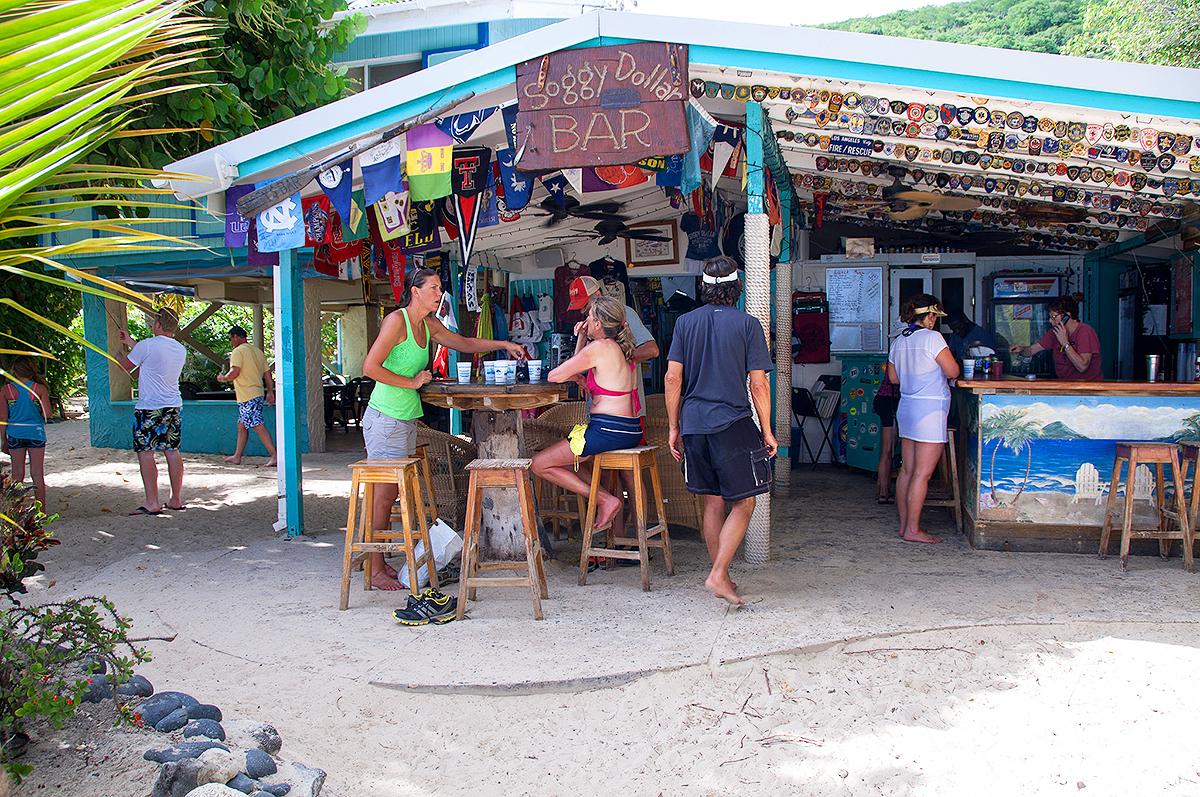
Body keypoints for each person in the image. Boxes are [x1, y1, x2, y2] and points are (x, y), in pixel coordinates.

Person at [362, 266, 527, 591]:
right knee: (383, 495)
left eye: (440, 288)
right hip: (385, 417)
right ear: (416, 291)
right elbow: (370, 367)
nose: (439, 294)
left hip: (406, 417)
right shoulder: (398, 321)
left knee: (394, 494)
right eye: (434, 288)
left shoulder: (429, 324)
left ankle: (379, 562)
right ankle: (375, 567)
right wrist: (411, 381)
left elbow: (464, 342)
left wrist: (503, 344)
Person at [665, 256, 777, 605]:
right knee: (744, 502)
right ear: (735, 288)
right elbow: (758, 385)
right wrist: (768, 431)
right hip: (732, 423)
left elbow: (672, 378)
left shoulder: (685, 323)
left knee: (712, 503)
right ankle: (717, 575)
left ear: (703, 288)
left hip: (695, 423)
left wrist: (674, 427)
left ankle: (722, 574)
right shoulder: (748, 325)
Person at [532, 295, 645, 533]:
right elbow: (577, 366)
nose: (586, 321)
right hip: (629, 430)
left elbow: (555, 375)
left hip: (607, 430)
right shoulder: (622, 348)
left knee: (540, 464)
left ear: (598, 324)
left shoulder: (599, 347)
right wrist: (583, 339)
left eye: (589, 318)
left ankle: (606, 500)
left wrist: (581, 338)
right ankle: (605, 498)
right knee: (570, 463)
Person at [566, 275, 660, 541]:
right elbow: (577, 367)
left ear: (600, 293)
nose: (585, 311)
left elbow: (652, 350)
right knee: (607, 477)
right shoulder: (590, 326)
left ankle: (640, 538)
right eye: (581, 307)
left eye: (588, 303)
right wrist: (583, 339)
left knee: (629, 476)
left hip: (628, 413)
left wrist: (617, 355)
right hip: (599, 415)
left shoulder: (623, 313)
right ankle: (615, 542)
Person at [888, 294, 960, 545]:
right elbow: (953, 371)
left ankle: (904, 526)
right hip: (929, 410)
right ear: (929, 316)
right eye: (934, 317)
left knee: (907, 471)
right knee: (922, 474)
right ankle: (913, 529)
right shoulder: (933, 339)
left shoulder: (898, 341)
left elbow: (894, 378)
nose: (935, 322)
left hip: (907, 408)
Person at [114, 308, 187, 515]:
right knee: (172, 451)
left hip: (148, 408)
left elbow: (126, 366)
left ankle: (152, 502)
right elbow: (155, 356)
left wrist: (119, 354)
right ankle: (175, 499)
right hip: (172, 405)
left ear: (157, 324)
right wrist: (130, 342)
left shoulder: (146, 346)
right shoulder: (180, 349)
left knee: (146, 453)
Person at [216, 325, 277, 466]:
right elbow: (267, 374)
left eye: (231, 338)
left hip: (247, 395)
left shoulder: (238, 352)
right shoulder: (258, 352)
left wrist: (223, 378)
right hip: (257, 393)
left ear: (236, 337)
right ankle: (237, 456)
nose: (231, 341)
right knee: (242, 425)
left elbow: (235, 372)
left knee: (256, 424)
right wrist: (270, 391)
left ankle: (274, 455)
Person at [1010, 296, 1102, 380]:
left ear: (1067, 316)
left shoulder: (1085, 332)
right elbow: (1031, 350)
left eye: (1053, 317)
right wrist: (1021, 349)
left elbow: (1082, 366)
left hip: (1087, 388)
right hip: (1065, 385)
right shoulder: (1054, 333)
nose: (1050, 321)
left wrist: (1065, 343)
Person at [0, 357, 51, 508]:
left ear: (14, 371)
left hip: (15, 434)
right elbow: (48, 414)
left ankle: (18, 512)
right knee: (37, 474)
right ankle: (41, 512)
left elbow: (3, 417)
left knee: (17, 475)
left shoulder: (6, 390)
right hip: (36, 434)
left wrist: (3, 440)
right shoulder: (39, 389)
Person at [872, 362, 899, 505]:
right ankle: (883, 492)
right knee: (888, 450)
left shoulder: (898, 350)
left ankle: (882, 489)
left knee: (887, 450)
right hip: (890, 400)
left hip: (886, 399)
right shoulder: (904, 354)